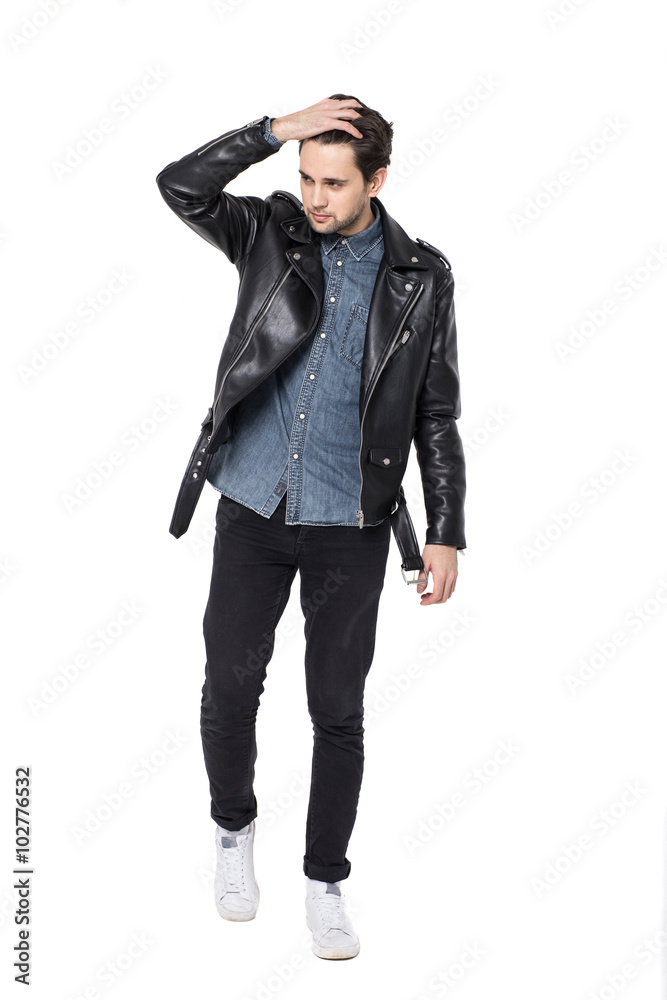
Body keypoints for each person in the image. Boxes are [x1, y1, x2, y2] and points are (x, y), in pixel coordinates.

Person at [155, 94, 467, 960]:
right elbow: (179, 187)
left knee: (336, 710)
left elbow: (435, 413)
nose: (316, 196)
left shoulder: (420, 276)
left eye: (334, 181)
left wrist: (444, 527)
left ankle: (325, 880)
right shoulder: (270, 235)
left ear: (377, 179)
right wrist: (271, 132)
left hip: (349, 523)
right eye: (305, 176)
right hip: (252, 507)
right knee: (229, 684)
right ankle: (232, 830)